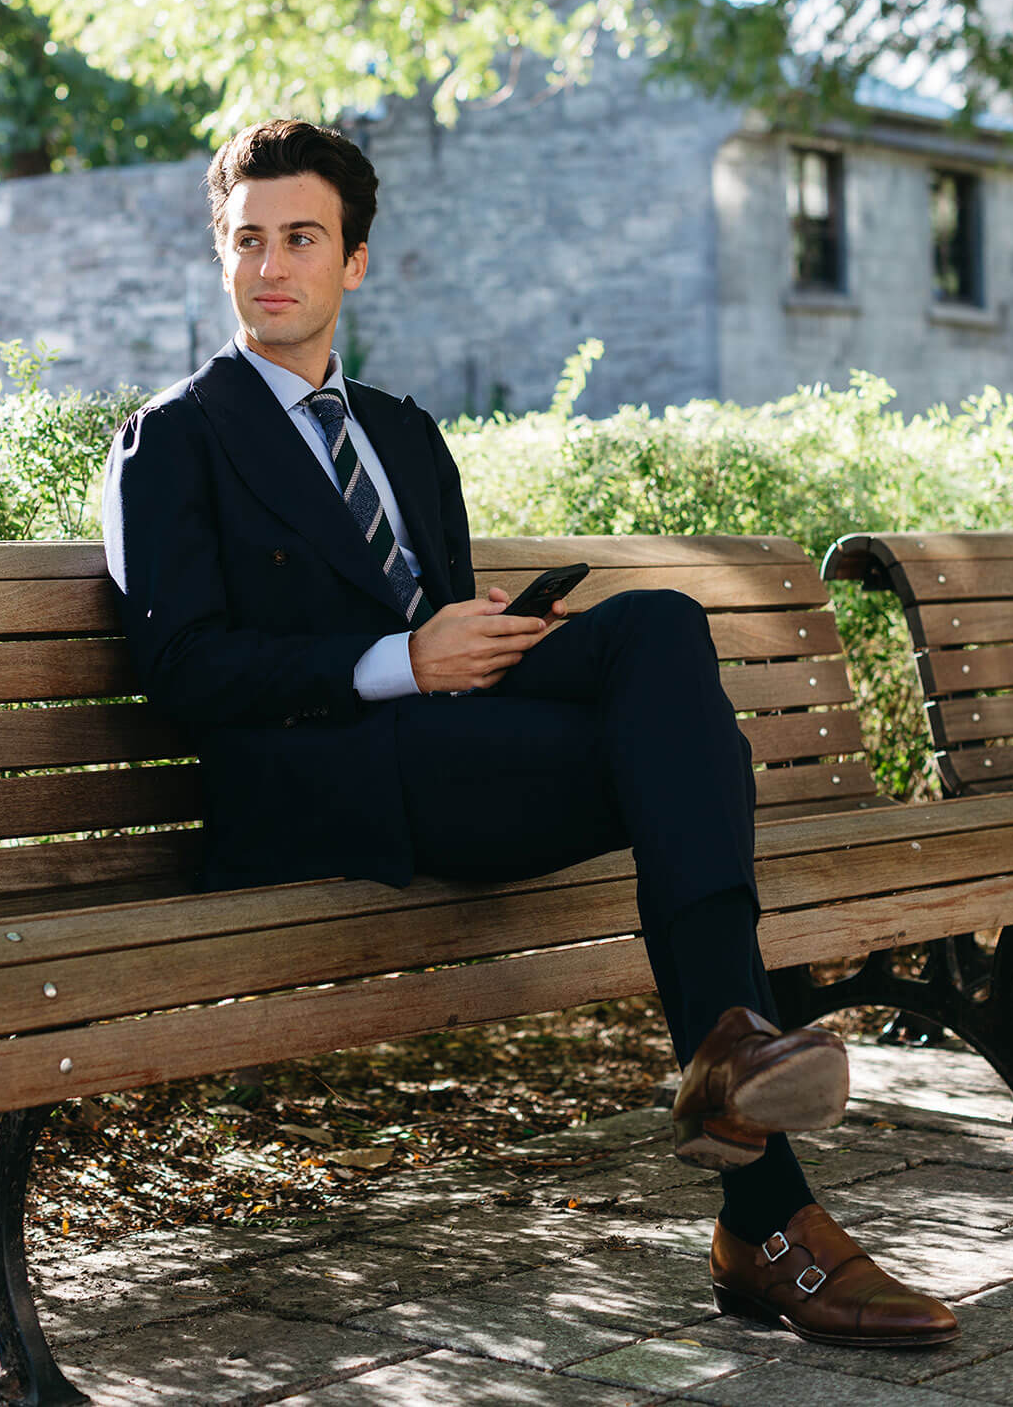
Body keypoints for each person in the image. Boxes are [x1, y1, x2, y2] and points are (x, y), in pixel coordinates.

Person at [103, 118, 956, 1349]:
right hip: (315, 784)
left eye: (302, 238)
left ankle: (737, 1068)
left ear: (354, 261)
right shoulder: (175, 437)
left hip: (453, 750)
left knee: (659, 624)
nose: (270, 265)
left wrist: (479, 638)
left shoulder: (402, 432)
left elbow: (437, 617)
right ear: (220, 254)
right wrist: (404, 659)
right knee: (689, 760)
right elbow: (181, 668)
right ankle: (761, 1196)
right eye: (247, 241)